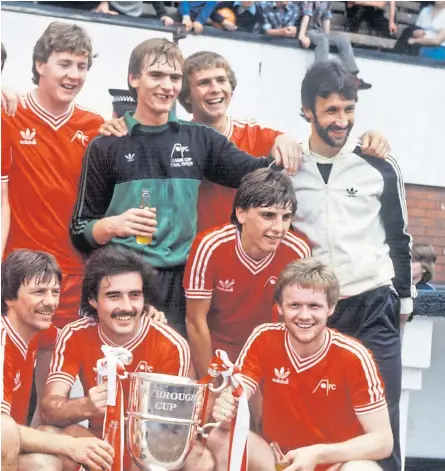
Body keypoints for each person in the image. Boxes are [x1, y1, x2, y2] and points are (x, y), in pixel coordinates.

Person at [70, 38, 299, 337]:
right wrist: (113, 225)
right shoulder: (106, 144)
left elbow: (258, 172)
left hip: (181, 282)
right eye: (156, 75)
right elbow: (79, 231)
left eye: (175, 78)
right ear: (133, 79)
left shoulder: (200, 139)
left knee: (174, 378)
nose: (167, 86)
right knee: (118, 375)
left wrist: (285, 141)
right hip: (124, 279)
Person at [100, 50, 391, 234]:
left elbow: (314, 148)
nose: (215, 89)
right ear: (186, 96)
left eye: (221, 81)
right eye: (204, 83)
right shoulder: (172, 138)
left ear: (231, 89)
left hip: (246, 265)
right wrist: (118, 124)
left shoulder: (262, 137)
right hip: (188, 261)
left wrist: (367, 138)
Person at [290, 60, 413, 471]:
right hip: (317, 311)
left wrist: (406, 301)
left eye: (349, 109)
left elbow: (399, 235)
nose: (341, 120)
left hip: (374, 305)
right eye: (331, 110)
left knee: (383, 422)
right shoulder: (288, 167)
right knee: (314, 417)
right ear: (308, 110)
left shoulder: (379, 162)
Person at [207, 258, 393, 471]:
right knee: (219, 438)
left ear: (331, 308)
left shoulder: (354, 356)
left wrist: (318, 453)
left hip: (333, 464)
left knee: (363, 469)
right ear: (279, 307)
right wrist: (228, 405)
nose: (304, 316)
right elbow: (240, 389)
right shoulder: (264, 337)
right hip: (278, 460)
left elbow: (383, 441)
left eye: (314, 306)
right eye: (294, 305)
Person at [40, 245, 213, 471]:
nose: (126, 307)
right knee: (46, 439)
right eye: (114, 296)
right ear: (93, 299)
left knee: (201, 459)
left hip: (149, 447)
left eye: (135, 295)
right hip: (96, 443)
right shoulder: (74, 334)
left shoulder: (171, 343)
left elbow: (172, 433)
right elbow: (49, 410)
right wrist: (86, 406)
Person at [1, 21, 104, 328]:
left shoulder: (97, 127)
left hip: (71, 275)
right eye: (64, 64)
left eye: (82, 66)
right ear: (40, 64)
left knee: (55, 369)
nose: (74, 74)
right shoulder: (9, 113)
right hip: (17, 272)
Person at [184, 168, 310, 376]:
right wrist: (210, 380)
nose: (279, 228)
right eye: (268, 215)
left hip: (263, 352)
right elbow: (195, 321)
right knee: (210, 404)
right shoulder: (210, 246)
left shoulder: (298, 250)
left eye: (286, 217)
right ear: (240, 213)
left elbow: (294, 321)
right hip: (215, 350)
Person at [1, 249, 114, 471]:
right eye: (39, 292)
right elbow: (3, 430)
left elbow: (63, 340)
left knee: (49, 458)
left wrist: (143, 313)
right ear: (9, 298)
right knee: (40, 459)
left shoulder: (40, 332)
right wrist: (70, 445)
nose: (51, 301)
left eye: (55, 291)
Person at [298, 2, 372, 90]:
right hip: (307, 30)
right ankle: (320, 77)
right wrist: (302, 35)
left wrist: (327, 35)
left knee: (342, 40)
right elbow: (306, 15)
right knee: (323, 41)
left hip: (318, 31)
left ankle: (353, 77)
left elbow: (326, 18)